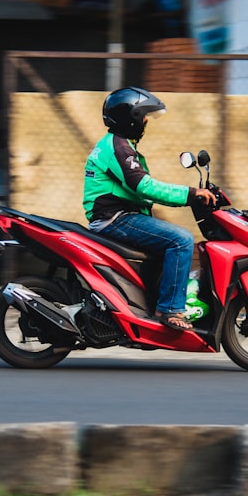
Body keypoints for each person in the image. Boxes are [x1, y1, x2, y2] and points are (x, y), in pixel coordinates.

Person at [83, 87, 217, 332]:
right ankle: (169, 310)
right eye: (143, 116)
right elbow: (145, 187)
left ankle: (155, 302)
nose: (145, 121)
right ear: (131, 118)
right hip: (115, 219)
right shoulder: (118, 148)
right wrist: (190, 194)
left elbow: (142, 190)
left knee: (168, 243)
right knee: (181, 240)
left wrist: (187, 196)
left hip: (119, 216)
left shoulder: (118, 145)